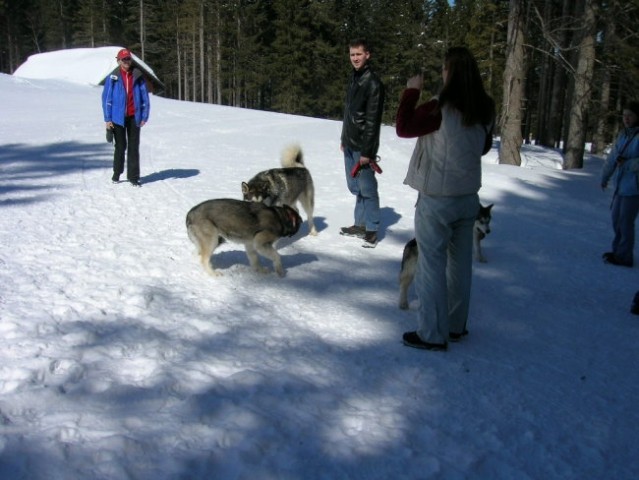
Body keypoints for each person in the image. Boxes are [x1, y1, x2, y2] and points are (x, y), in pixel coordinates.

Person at [396, 47, 495, 351]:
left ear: (449, 73)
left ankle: (431, 333)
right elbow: (483, 148)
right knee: (460, 265)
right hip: (468, 198)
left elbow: (403, 127)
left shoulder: (439, 108)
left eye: (443, 69)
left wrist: (411, 92)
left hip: (438, 199)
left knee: (431, 265)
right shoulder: (485, 108)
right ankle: (454, 326)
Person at [339, 38, 385, 248]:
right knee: (355, 186)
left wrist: (367, 152)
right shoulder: (354, 78)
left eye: (359, 54)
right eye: (352, 54)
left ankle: (372, 229)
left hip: (363, 147)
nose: (355, 58)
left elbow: (372, 122)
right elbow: (350, 113)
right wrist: (343, 139)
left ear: (368, 55)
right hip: (350, 143)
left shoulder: (373, 83)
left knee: (367, 188)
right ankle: (360, 224)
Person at [102, 48, 150, 187]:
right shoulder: (113, 77)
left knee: (134, 147)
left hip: (134, 116)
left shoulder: (137, 75)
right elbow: (106, 99)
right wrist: (108, 119)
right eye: (124, 59)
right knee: (120, 146)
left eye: (128, 59)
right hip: (118, 118)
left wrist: (144, 116)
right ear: (118, 61)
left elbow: (144, 98)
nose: (126, 62)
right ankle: (117, 173)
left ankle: (133, 176)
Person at [600, 101, 639, 267]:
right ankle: (618, 252)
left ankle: (624, 256)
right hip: (621, 185)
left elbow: (629, 162)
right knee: (616, 219)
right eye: (624, 115)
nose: (626, 119)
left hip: (635, 187)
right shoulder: (623, 135)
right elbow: (612, 159)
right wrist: (605, 177)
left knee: (625, 221)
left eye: (630, 115)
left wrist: (628, 164)